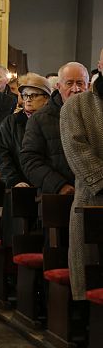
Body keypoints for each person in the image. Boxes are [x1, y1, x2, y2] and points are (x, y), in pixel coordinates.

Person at [60, 52, 103, 301]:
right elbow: (77, 151)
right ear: (99, 65)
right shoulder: (78, 105)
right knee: (90, 278)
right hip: (93, 201)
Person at [0, 73, 51, 246]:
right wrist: (14, 180)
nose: (28, 99)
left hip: (47, 185)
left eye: (33, 95)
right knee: (17, 230)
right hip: (19, 184)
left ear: (47, 98)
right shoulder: (10, 123)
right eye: (25, 95)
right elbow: (3, 156)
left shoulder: (53, 121)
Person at [21, 62, 89, 194]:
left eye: (80, 83)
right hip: (55, 196)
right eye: (69, 83)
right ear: (58, 86)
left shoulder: (96, 116)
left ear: (88, 86)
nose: (75, 89)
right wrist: (59, 186)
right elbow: (30, 160)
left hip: (92, 194)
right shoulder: (40, 119)